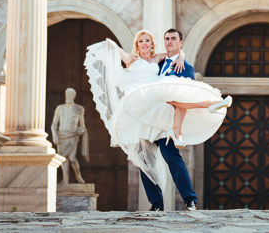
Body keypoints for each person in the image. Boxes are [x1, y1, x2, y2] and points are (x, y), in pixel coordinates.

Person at [85, 28, 232, 211]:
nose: (144, 44)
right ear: (137, 45)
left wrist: (181, 56)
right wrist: (110, 45)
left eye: (147, 41)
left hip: (160, 115)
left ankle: (190, 199)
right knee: (144, 160)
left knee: (171, 155)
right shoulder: (132, 60)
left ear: (152, 44)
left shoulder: (158, 59)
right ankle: (156, 204)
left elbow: (175, 51)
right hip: (141, 114)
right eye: (140, 41)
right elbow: (118, 50)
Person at [51, 88, 89, 184]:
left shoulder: (78, 109)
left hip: (73, 135)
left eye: (70, 95)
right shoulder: (60, 108)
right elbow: (54, 124)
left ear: (74, 96)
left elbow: (82, 125)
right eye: (67, 94)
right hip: (62, 136)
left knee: (72, 158)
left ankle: (78, 176)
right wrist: (54, 135)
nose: (68, 96)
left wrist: (82, 130)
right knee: (63, 159)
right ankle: (65, 180)